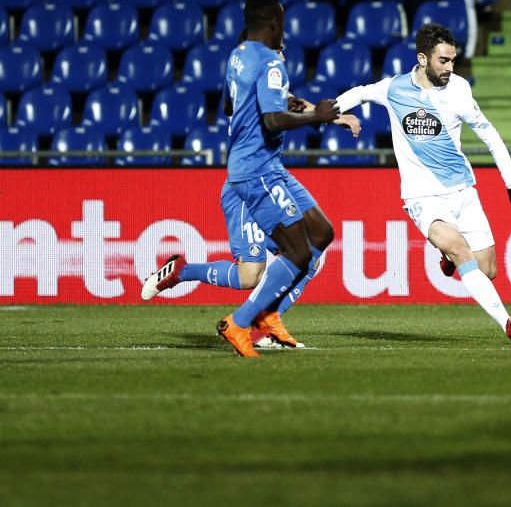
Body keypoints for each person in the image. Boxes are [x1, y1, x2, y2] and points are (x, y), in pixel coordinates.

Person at [142, 34, 360, 351]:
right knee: (250, 277)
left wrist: (332, 117)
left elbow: (292, 101)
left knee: (312, 252)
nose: (282, 58)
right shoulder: (250, 91)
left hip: (267, 182)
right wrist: (321, 116)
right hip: (248, 188)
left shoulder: (261, 87)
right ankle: (182, 271)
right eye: (278, 51)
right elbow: (285, 110)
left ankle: (267, 325)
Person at [333, 23, 511, 344]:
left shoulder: (459, 89)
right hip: (422, 196)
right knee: (460, 250)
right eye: (444, 61)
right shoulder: (395, 89)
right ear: (423, 59)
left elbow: (490, 136)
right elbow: (360, 93)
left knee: (488, 270)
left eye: (453, 60)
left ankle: (447, 257)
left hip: (462, 190)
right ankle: (507, 322)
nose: (450, 68)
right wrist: (330, 112)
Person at [211, 0, 338, 358]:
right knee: (298, 251)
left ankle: (263, 313)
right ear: (273, 22)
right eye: (282, 20)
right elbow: (271, 119)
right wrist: (315, 114)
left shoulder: (238, 56)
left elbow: (229, 105)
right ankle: (242, 321)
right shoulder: (270, 61)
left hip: (265, 166)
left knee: (322, 233)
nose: (284, 27)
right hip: (256, 169)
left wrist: (284, 101)